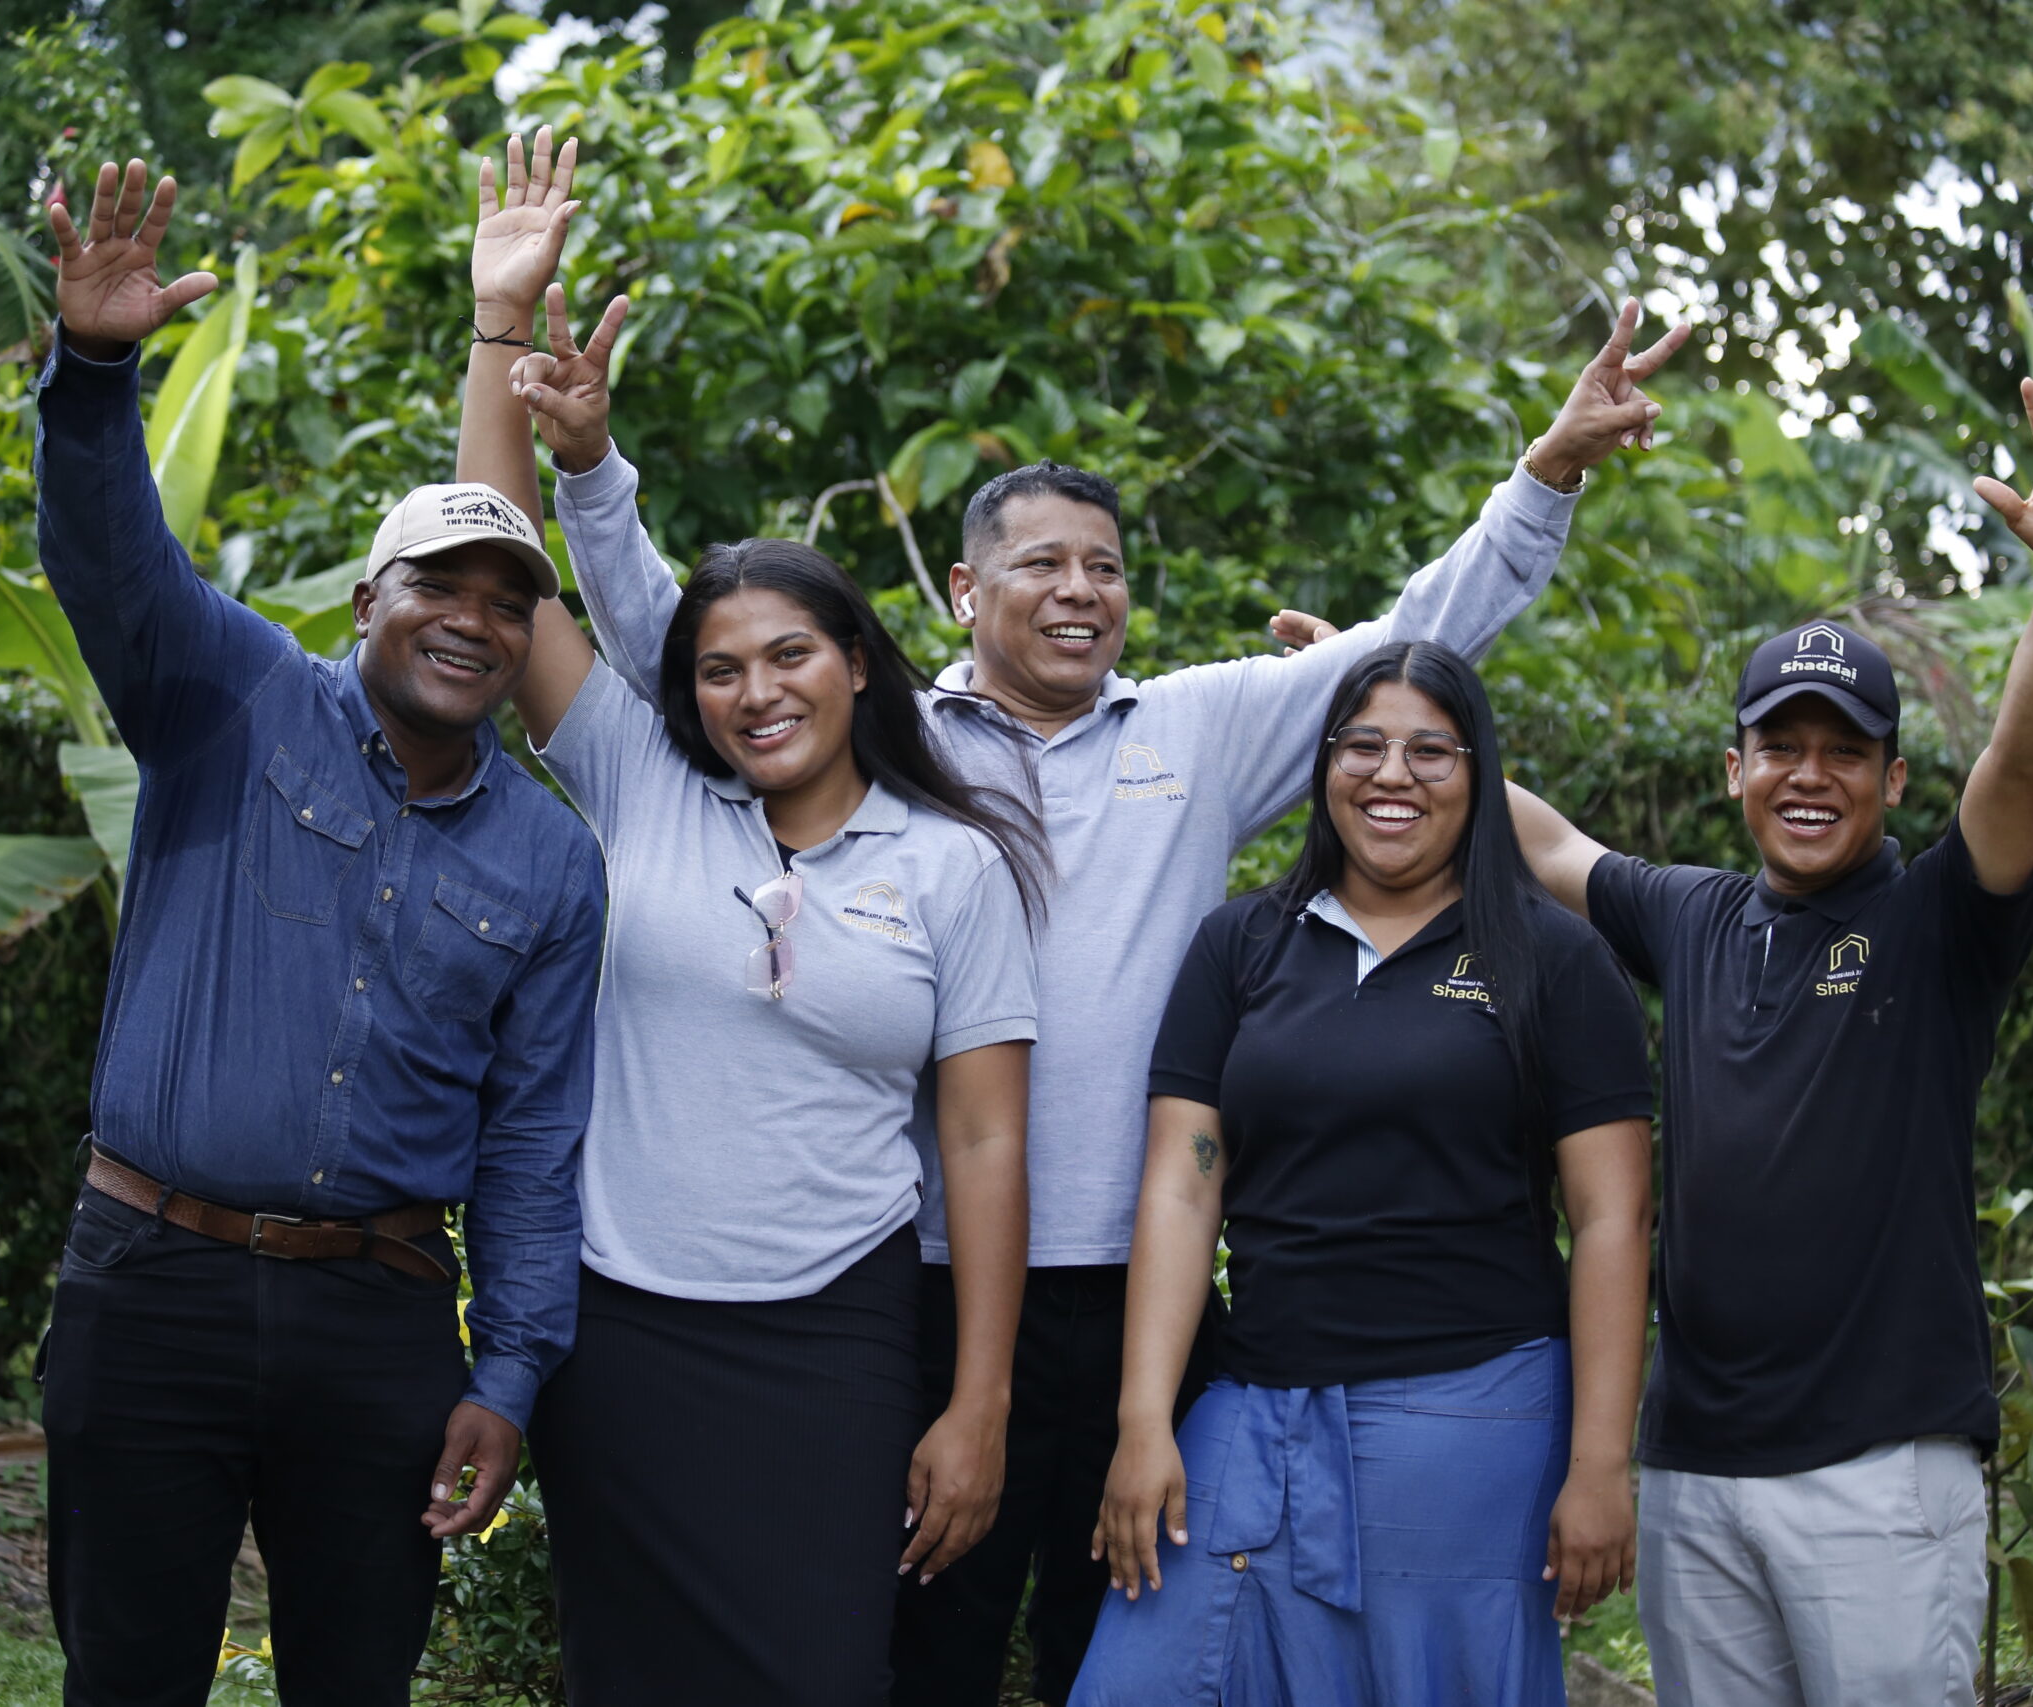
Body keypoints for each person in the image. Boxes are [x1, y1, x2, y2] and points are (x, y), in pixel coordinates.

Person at [498, 153, 1689, 1697]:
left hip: (1147, 1297)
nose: (1081, 593)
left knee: (1120, 1650)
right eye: (1042, 565)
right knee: (911, 1640)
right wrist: (591, 473)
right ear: (964, 593)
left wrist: (1549, 475)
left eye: (1106, 569)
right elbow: (692, 647)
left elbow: (1424, 643)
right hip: (925, 1286)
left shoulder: (1192, 733)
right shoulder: (883, 747)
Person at [455, 130, 1042, 1706]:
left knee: (823, 1673)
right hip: (623, 1331)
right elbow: (496, 584)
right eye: (720, 667)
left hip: (836, 1333)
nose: (755, 690)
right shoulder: (648, 784)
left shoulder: (953, 862)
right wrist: (501, 331)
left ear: (858, 661)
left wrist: (975, 1399)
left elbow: (987, 1144)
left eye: (789, 654)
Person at [32, 162, 604, 1707]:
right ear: (369, 595)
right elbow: (107, 559)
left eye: (508, 595)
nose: (472, 616)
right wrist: (93, 372)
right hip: (155, 1272)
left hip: (383, 1313)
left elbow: (534, 1140)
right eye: (439, 580)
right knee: (127, 1674)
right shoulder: (228, 698)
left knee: (355, 1681)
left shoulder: (550, 859)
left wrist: (511, 1371)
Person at [1504, 374, 2033, 1707]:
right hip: (1694, 1467)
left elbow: (2017, 770)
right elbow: (1547, 840)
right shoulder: (1691, 913)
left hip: (1879, 1473)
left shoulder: (1935, 921)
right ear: (1732, 769)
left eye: (1844, 751)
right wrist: (1395, 713)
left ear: (1893, 779)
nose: (1808, 771)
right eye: (1777, 744)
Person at [1068, 640, 1654, 1704]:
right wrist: (1145, 1420)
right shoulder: (1240, 946)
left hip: (1476, 1421)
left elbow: (1612, 1220)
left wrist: (1600, 1461)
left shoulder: (1549, 958)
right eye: (1364, 745)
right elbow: (1182, 1184)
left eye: (1432, 751)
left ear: (1479, 776)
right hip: (1252, 1401)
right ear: (1321, 765)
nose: (1393, 775)